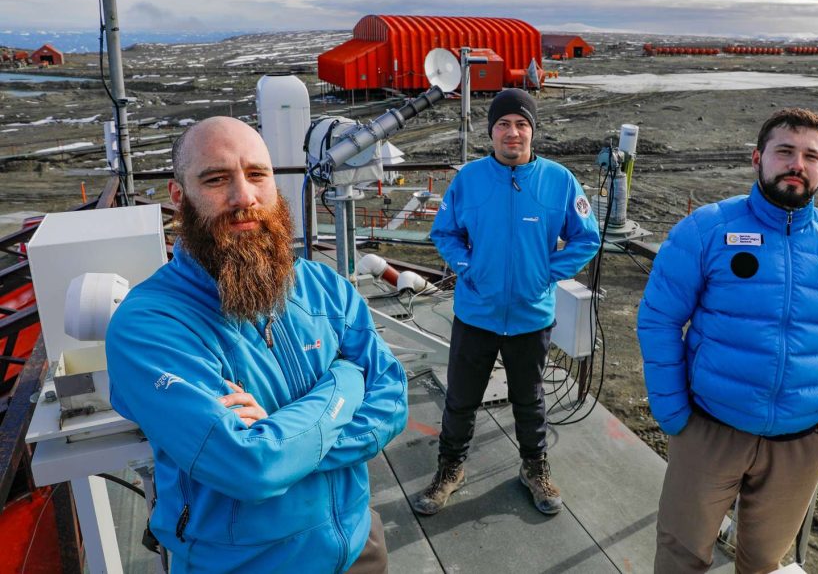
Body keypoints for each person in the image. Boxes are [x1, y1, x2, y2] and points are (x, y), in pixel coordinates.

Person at [106, 116, 408, 573]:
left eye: (257, 175)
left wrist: (285, 437)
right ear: (178, 197)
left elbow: (393, 399)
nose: (244, 197)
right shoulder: (149, 325)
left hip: (356, 542)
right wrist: (345, 382)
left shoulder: (320, 286)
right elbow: (251, 466)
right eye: (216, 179)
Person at [637, 108, 818, 573]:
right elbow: (659, 319)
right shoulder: (706, 230)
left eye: (811, 156)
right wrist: (671, 409)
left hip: (800, 441)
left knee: (765, 560)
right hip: (710, 429)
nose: (796, 164)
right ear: (758, 158)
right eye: (785, 151)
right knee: (681, 551)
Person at [413, 88, 601, 516]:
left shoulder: (559, 181)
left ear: (532, 131)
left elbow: (585, 237)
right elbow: (445, 233)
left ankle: (534, 469)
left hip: (531, 316)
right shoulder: (470, 179)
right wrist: (468, 266)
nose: (512, 133)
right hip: (477, 312)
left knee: (529, 399)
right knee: (461, 398)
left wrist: (547, 272)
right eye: (503, 124)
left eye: (521, 124)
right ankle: (450, 469)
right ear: (491, 132)